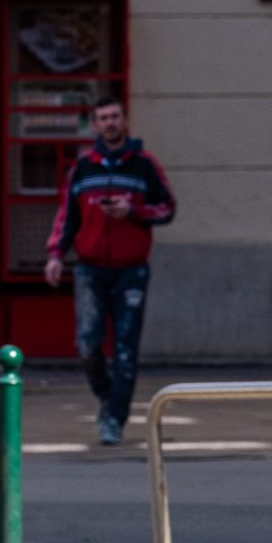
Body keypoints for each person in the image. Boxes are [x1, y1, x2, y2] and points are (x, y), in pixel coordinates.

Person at [43, 97, 176, 445]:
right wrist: (56, 254)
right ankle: (106, 394)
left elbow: (167, 208)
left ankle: (114, 420)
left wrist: (132, 211)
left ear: (125, 121)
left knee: (126, 350)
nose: (110, 123)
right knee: (87, 344)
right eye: (103, 118)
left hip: (131, 270)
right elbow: (66, 216)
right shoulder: (84, 167)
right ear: (95, 125)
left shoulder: (145, 165)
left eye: (115, 116)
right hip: (89, 269)